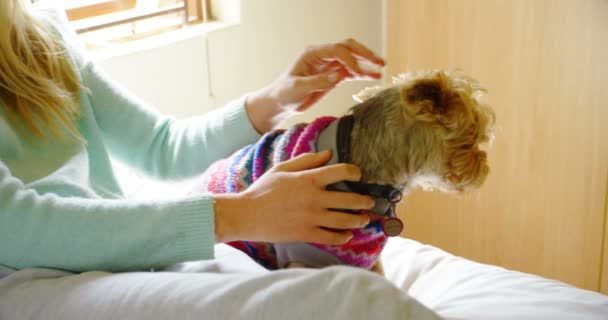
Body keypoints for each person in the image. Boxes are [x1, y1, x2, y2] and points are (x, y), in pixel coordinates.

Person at [0, 1, 440, 319]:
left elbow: (161, 147)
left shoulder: (39, 33)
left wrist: (275, 98)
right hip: (25, 283)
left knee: (324, 291)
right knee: (346, 299)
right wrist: (241, 214)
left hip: (123, 249)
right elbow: (18, 229)